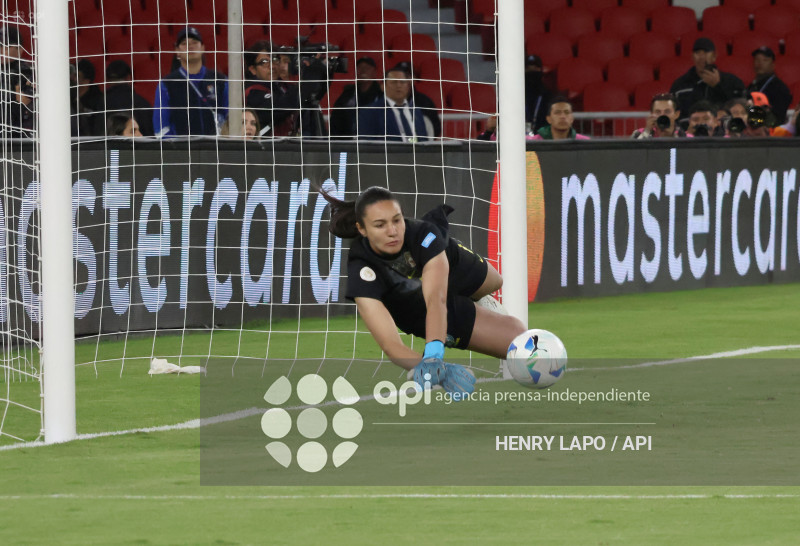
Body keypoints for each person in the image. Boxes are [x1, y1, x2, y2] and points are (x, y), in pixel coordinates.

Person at [322, 186, 526, 396]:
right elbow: (390, 343)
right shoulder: (362, 271)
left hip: (447, 270)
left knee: (495, 281)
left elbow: (436, 298)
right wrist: (436, 370)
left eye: (397, 220)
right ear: (362, 229)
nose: (392, 231)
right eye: (380, 225)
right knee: (520, 344)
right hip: (417, 310)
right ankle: (470, 312)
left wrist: (434, 354)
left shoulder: (424, 235)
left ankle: (477, 301)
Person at [153, 26, 229, 137]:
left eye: (195, 42)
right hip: (181, 151)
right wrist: (176, 150)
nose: (190, 46)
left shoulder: (221, 81)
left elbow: (231, 118)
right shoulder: (166, 85)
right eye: (184, 43)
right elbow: (161, 127)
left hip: (216, 149)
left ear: (203, 48)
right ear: (177, 51)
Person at [670, 37, 745, 124]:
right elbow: (673, 114)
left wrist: (718, 86)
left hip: (722, 133)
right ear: (692, 57)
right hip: (687, 133)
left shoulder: (732, 82)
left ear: (714, 56)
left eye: (706, 52)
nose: (702, 57)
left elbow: (741, 109)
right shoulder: (680, 85)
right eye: (697, 53)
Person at [358, 65, 430, 142]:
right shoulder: (369, 112)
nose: (398, 86)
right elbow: (366, 146)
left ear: (408, 87)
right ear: (383, 87)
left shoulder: (416, 112)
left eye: (402, 82)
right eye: (394, 82)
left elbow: (424, 141)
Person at [243, 41, 300, 137]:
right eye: (264, 62)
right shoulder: (252, 91)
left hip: (290, 146)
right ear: (252, 69)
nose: (272, 66)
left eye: (274, 59)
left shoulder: (286, 86)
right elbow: (280, 108)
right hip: (264, 149)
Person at [104, 60, 154, 136]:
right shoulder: (142, 103)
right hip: (138, 147)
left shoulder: (100, 103)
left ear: (107, 79)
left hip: (108, 147)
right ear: (129, 78)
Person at [747, 46, 792, 125]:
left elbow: (778, 118)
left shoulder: (779, 88)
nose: (760, 63)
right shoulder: (753, 85)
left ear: (773, 65)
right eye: (757, 60)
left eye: (765, 60)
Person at [524, 54, 553, 134]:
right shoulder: (515, 95)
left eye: (535, 69)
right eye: (528, 69)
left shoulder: (548, 95)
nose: (532, 72)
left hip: (543, 139)